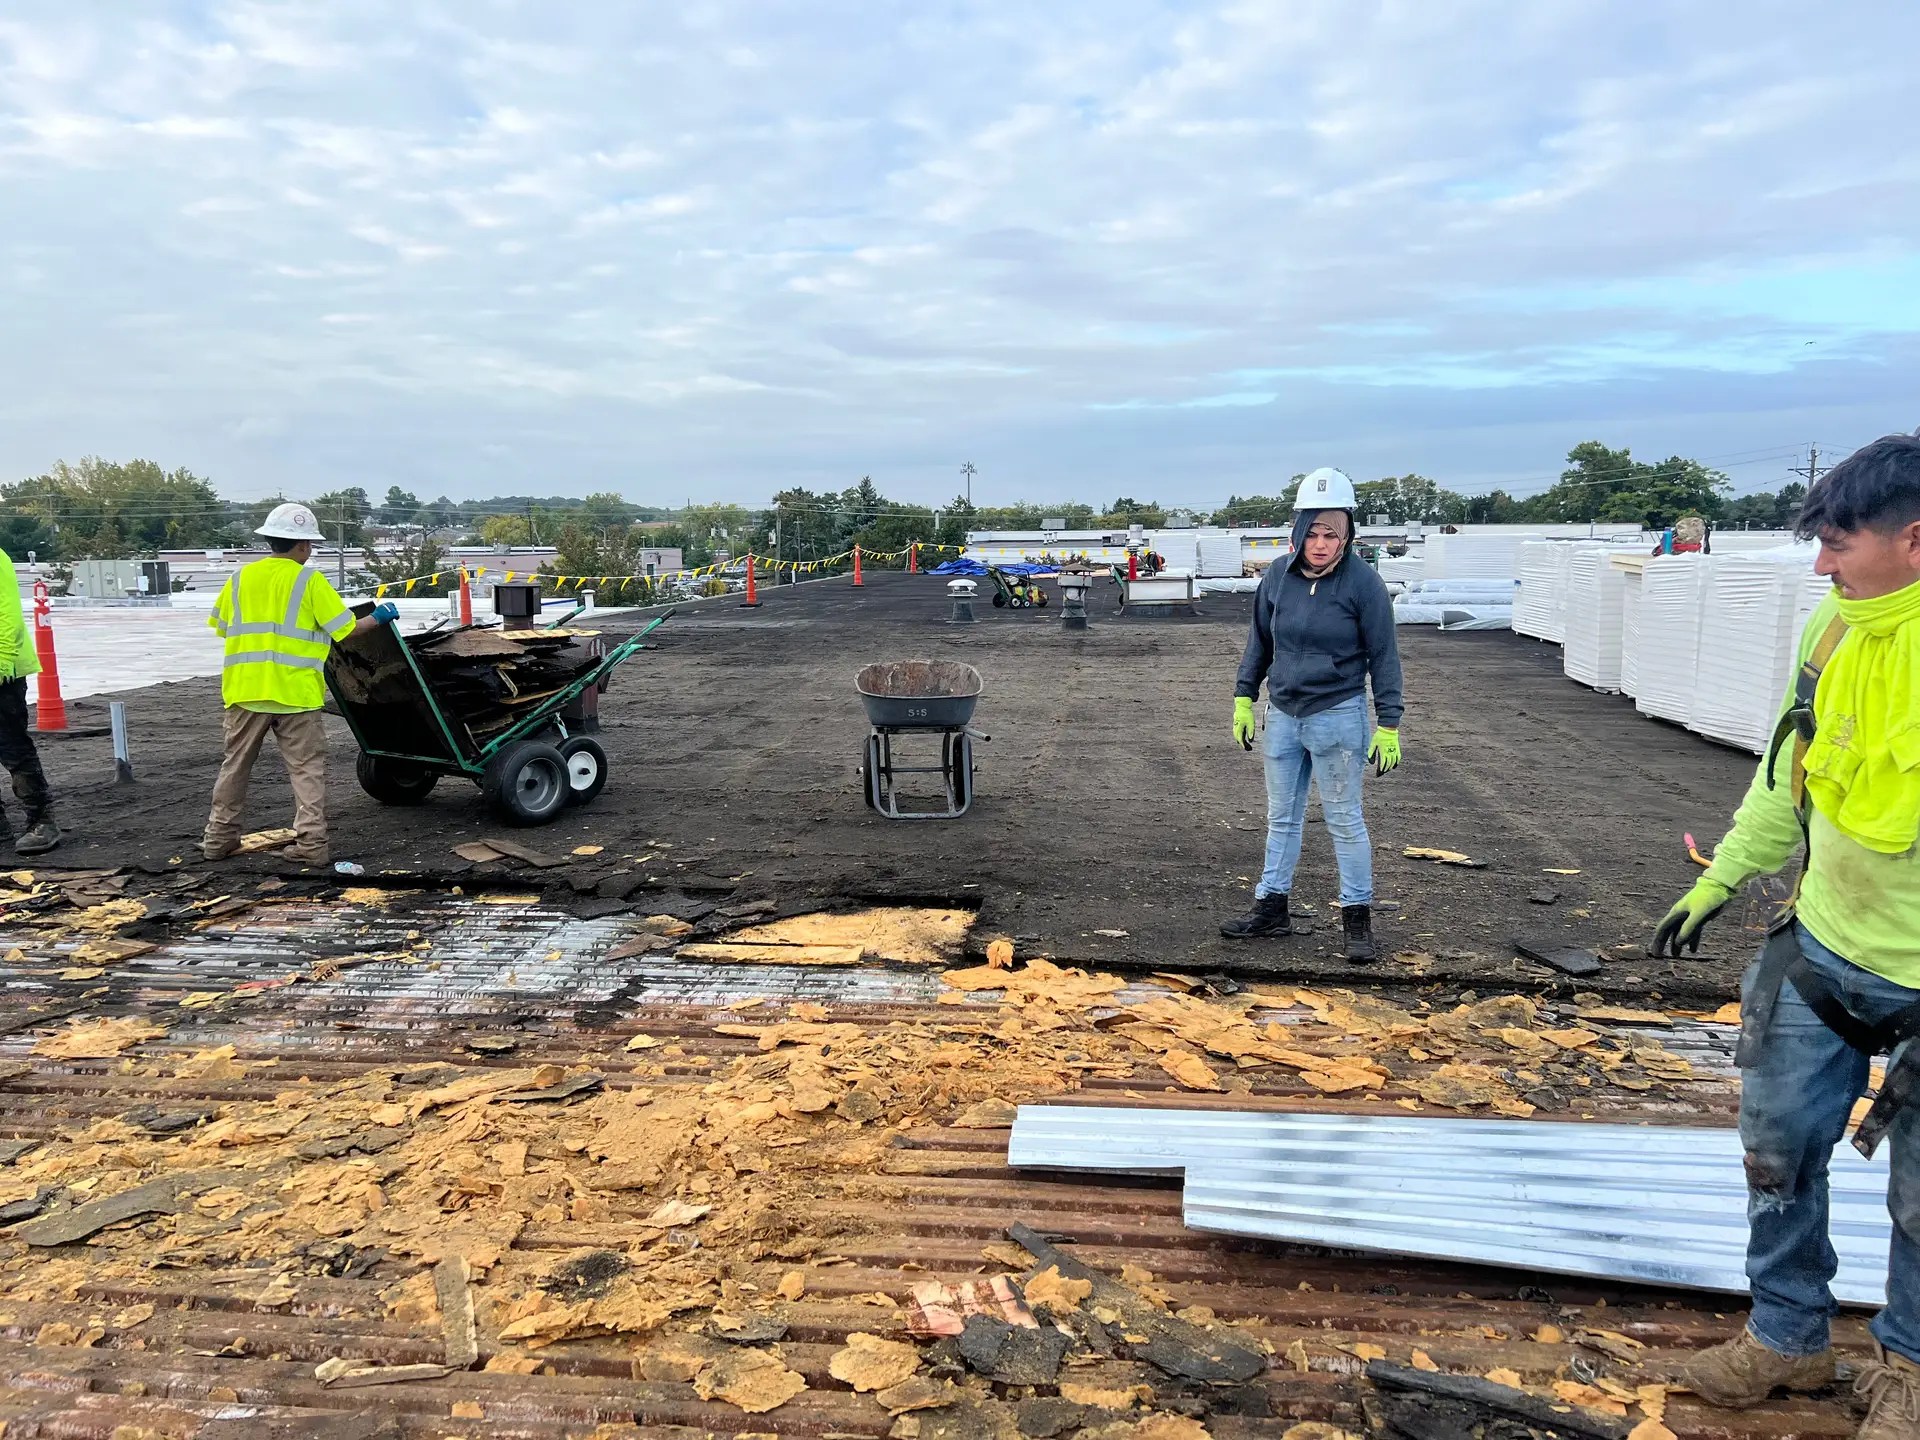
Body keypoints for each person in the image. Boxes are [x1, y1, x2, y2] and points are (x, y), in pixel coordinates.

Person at [1652, 434, 1920, 1438]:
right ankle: (1788, 1340)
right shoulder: (1834, 635)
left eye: (1838, 545)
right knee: (1776, 1154)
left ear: (1915, 541)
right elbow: (1786, 779)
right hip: (1821, 955)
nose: (1820, 566)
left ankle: (1909, 1370)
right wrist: (1718, 882)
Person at [1223, 467, 1403, 961]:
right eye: (1313, 533)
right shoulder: (1277, 577)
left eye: (1332, 534)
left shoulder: (1363, 584)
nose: (1321, 544)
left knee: (1345, 819)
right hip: (1282, 713)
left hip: (1337, 714)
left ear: (1347, 536)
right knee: (1282, 817)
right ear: (1298, 530)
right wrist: (1244, 696)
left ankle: (1357, 919)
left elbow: (1384, 654)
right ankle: (1271, 908)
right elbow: (1260, 640)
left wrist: (1388, 723)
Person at [202, 503, 398, 867]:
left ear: (269, 540)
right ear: (303, 545)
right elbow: (346, 629)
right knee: (306, 771)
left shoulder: (241, 578)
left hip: (245, 691)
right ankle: (311, 844)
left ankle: (218, 840)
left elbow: (223, 627)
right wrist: (379, 617)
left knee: (235, 767)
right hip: (295, 694)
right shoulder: (310, 581)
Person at [0, 548, 60, 855]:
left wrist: (1, 665)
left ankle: (41, 822)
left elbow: (6, 615)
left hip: (3, 673)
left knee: (13, 750)